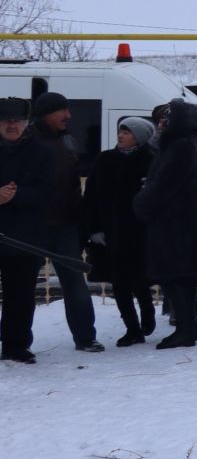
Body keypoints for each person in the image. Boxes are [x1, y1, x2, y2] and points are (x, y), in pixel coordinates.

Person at [133, 100, 197, 349]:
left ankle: (186, 330)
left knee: (175, 278)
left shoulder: (178, 148)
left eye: (167, 118)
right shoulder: (184, 146)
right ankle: (188, 328)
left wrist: (141, 201)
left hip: (175, 226)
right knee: (181, 279)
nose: (161, 123)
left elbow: (164, 185)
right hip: (182, 224)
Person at [29, 92, 102, 353]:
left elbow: (74, 184)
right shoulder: (26, 140)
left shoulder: (67, 141)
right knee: (24, 286)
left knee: (75, 283)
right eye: (63, 111)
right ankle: (16, 343)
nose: (69, 116)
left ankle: (85, 337)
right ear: (47, 113)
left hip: (65, 227)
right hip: (32, 228)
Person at [82, 117, 156, 346]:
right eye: (120, 131)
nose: (121, 135)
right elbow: (91, 195)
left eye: (127, 132)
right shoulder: (105, 159)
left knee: (141, 279)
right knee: (119, 282)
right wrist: (94, 228)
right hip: (111, 232)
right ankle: (132, 328)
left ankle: (148, 314)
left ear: (139, 137)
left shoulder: (150, 160)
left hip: (141, 231)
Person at [0, 98, 48, 362]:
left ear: (26, 124)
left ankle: (15, 345)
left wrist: (15, 195)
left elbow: (48, 192)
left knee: (20, 295)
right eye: (6, 121)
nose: (11, 125)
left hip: (24, 237)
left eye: (16, 121)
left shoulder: (39, 152)